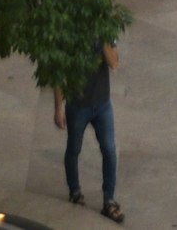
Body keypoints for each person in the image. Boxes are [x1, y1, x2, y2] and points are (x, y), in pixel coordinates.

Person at [57, 41, 120, 221]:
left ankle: (109, 199)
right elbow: (59, 73)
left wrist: (103, 42)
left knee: (109, 150)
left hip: (102, 104)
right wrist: (58, 108)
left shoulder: (105, 31)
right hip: (77, 105)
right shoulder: (71, 33)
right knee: (74, 149)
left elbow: (114, 63)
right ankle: (75, 191)